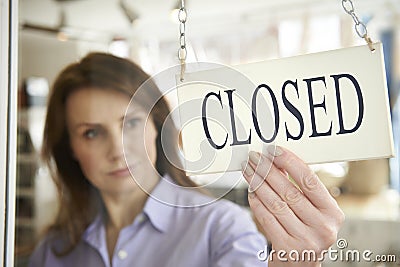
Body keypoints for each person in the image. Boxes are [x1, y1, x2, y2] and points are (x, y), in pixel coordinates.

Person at [29, 52, 344, 267]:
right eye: (91, 133)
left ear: (157, 125)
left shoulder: (221, 228)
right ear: (69, 147)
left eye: (132, 123)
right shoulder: (54, 250)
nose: (119, 150)